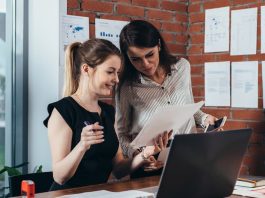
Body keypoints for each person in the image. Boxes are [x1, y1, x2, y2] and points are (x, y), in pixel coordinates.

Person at [43, 38, 168, 190]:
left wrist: (144, 155)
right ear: (86, 69)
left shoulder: (108, 111)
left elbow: (119, 169)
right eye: (110, 72)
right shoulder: (63, 111)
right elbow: (59, 176)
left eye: (117, 73)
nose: (116, 79)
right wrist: (82, 146)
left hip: (98, 194)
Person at [115, 20, 218, 178]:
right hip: (151, 164)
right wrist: (139, 156)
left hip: (190, 157)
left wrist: (205, 119)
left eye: (150, 54)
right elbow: (121, 134)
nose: (146, 64)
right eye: (135, 59)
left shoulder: (182, 67)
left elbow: (189, 107)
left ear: (159, 46)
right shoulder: (126, 87)